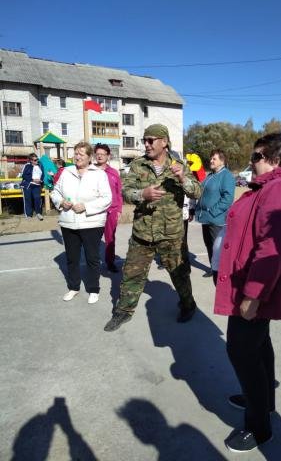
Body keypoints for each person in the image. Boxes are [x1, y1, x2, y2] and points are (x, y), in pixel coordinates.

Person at [214, 133, 281, 453]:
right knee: (258, 345)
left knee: (241, 352)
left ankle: (260, 426)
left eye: (256, 157)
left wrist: (253, 294)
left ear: (275, 159)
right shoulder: (270, 187)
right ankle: (263, 400)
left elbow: (272, 248)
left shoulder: (280, 187)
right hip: (254, 285)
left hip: (256, 289)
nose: (250, 163)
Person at [103, 124, 202, 332]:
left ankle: (188, 305)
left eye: (151, 140)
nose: (146, 144)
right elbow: (126, 192)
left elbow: (197, 193)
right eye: (144, 140)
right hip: (143, 233)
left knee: (179, 274)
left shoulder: (179, 165)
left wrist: (183, 178)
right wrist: (142, 195)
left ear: (164, 142)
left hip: (171, 234)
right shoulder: (138, 165)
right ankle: (123, 311)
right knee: (132, 274)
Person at [51, 142, 112, 304]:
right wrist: (61, 201)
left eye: (81, 154)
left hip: (91, 223)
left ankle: (93, 289)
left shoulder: (99, 174)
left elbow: (107, 198)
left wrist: (86, 207)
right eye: (76, 153)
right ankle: (73, 287)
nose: (77, 157)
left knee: (92, 257)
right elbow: (55, 192)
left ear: (90, 157)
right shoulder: (66, 172)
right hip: (68, 222)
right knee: (72, 258)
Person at [195, 149, 235, 277]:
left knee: (218, 248)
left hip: (217, 219)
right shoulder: (211, 175)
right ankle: (214, 268)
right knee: (209, 245)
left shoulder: (226, 175)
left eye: (214, 159)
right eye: (211, 158)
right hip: (206, 218)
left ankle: (222, 271)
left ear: (222, 161)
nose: (211, 161)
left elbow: (228, 198)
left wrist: (213, 212)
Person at [94, 143, 123, 272]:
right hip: (95, 210)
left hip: (112, 210)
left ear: (108, 156)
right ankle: (93, 264)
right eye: (98, 154)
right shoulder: (91, 171)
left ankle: (110, 262)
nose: (100, 156)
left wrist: (119, 209)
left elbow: (119, 192)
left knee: (110, 238)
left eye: (103, 154)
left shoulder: (114, 172)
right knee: (92, 238)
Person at [20, 153, 44, 220]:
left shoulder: (40, 165)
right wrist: (33, 179)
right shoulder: (27, 166)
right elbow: (24, 175)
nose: (37, 161)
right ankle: (28, 215)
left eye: (37, 159)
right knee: (28, 200)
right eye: (35, 160)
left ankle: (38, 213)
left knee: (37, 199)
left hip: (37, 185)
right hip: (28, 185)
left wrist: (40, 181)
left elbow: (43, 174)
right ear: (31, 160)